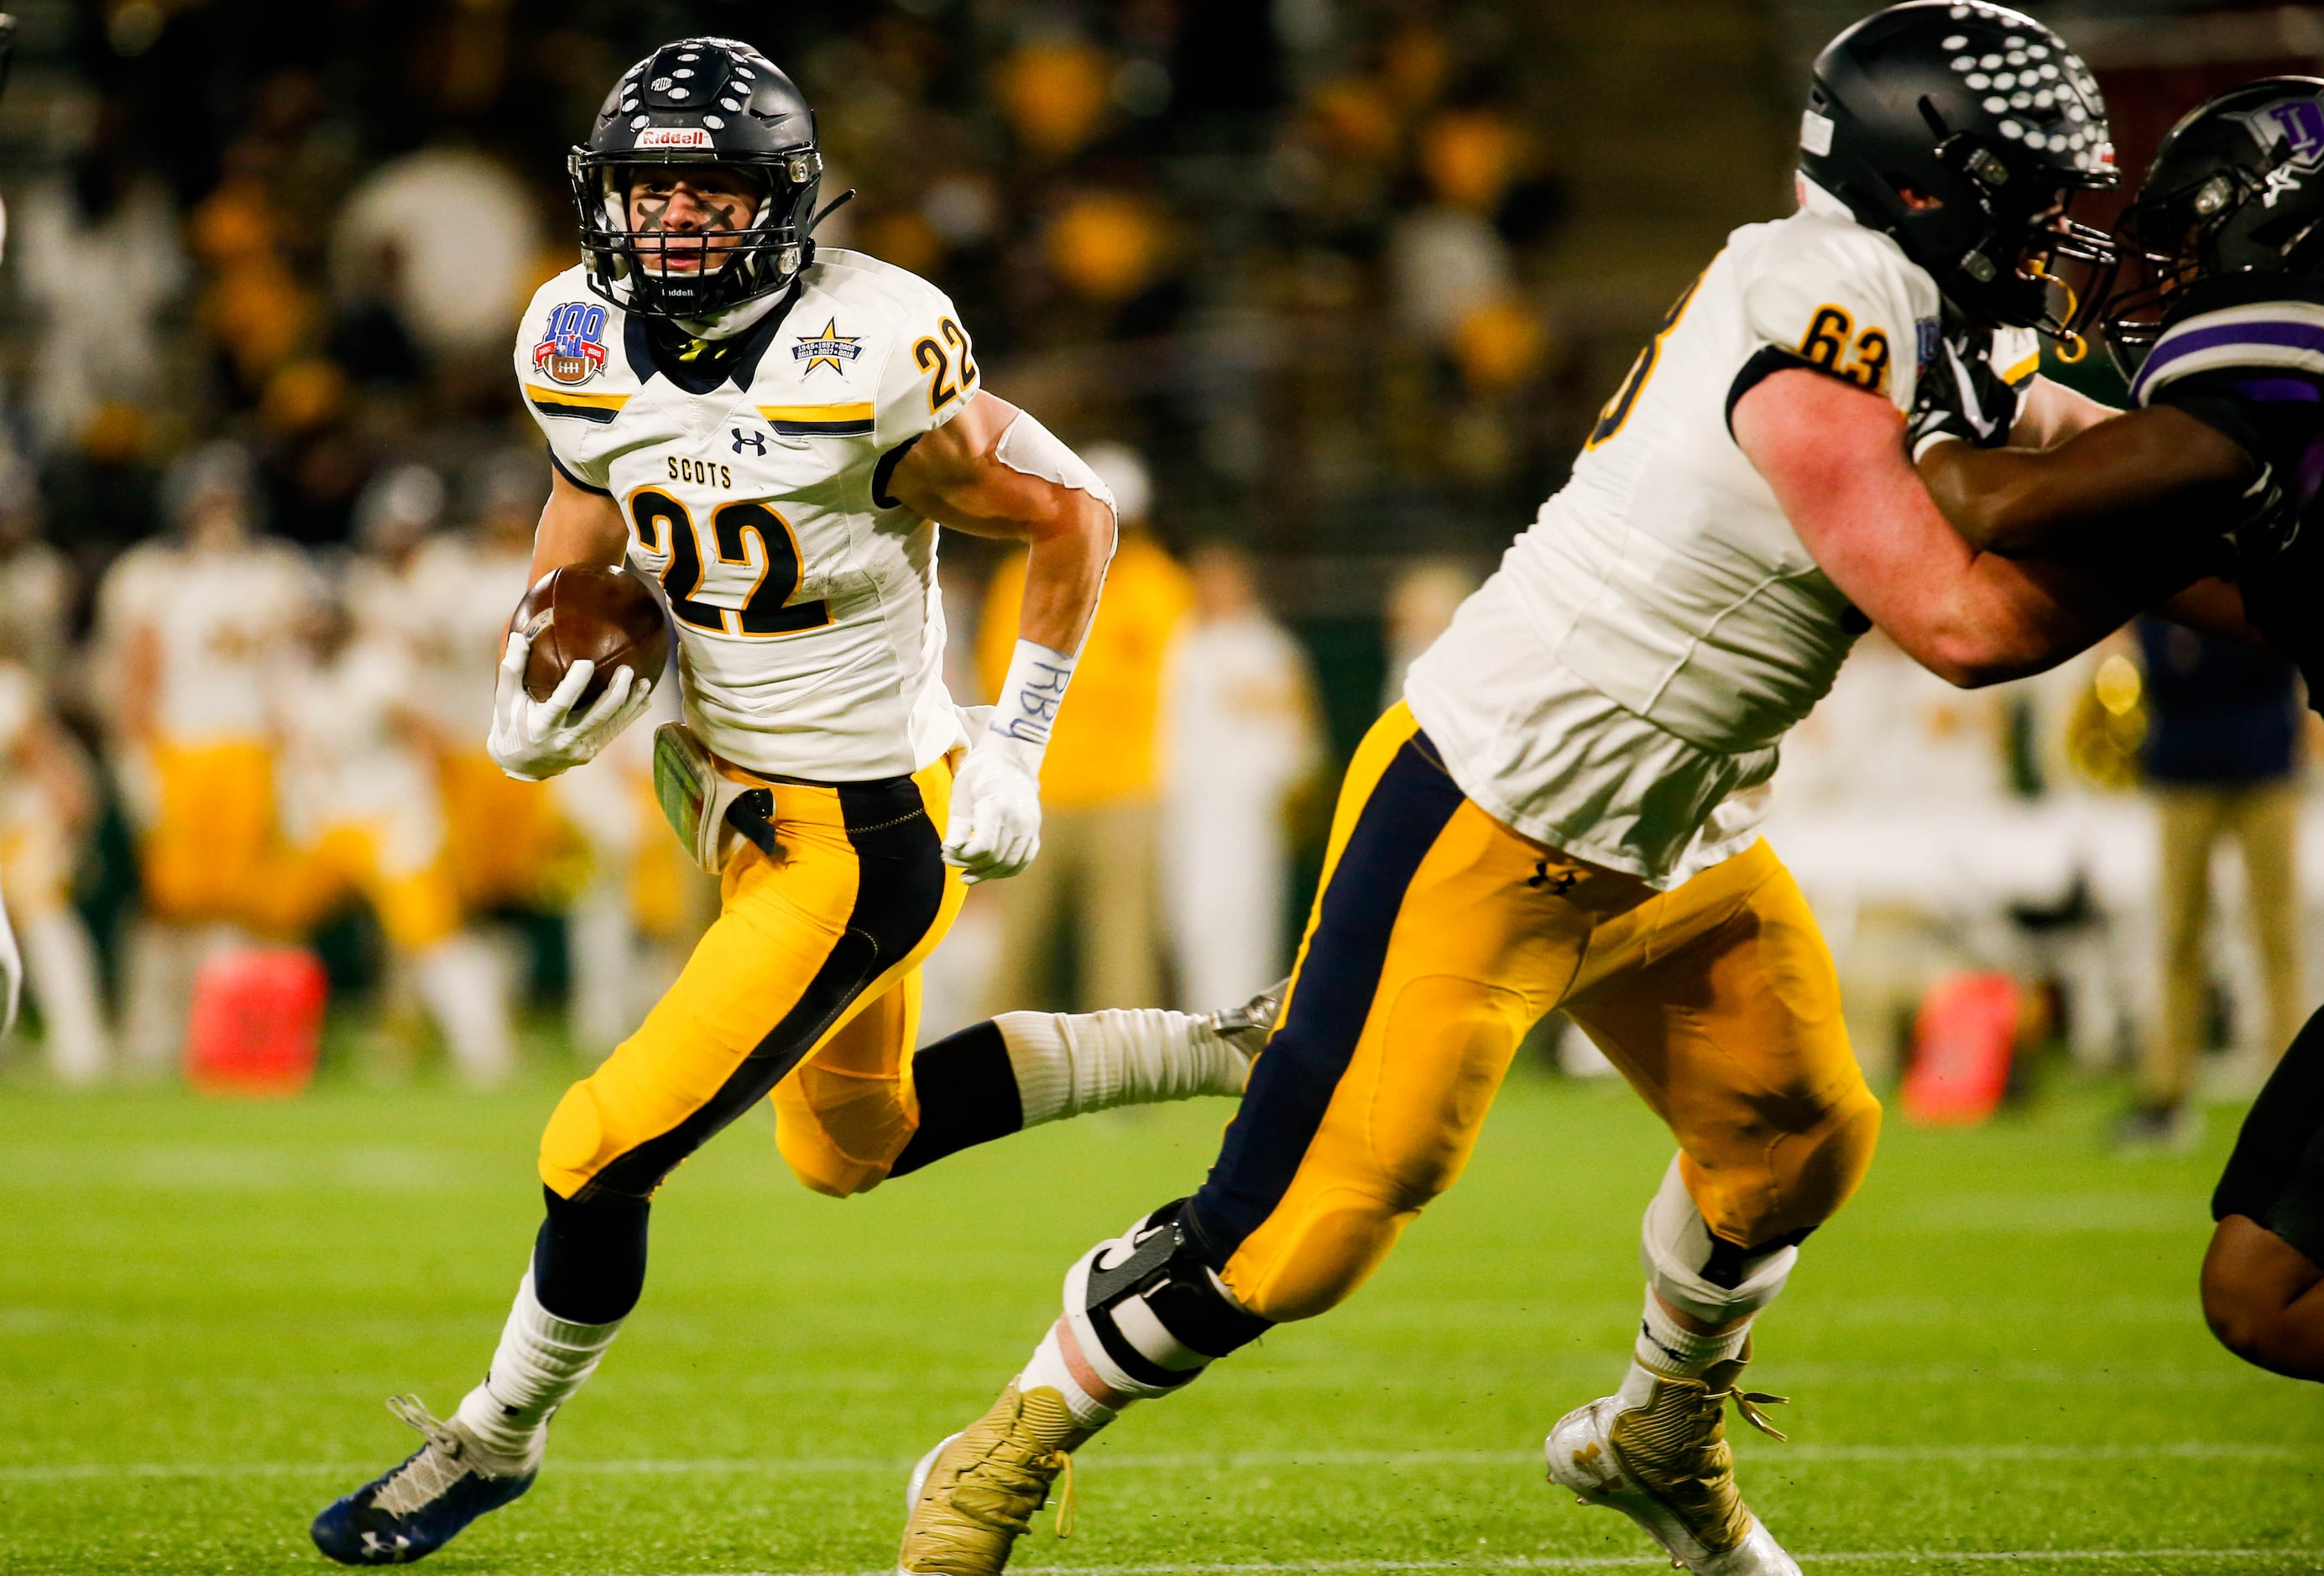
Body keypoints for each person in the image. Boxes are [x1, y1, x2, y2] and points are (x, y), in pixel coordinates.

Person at [892, 9, 2163, 1575]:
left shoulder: (1930, 311)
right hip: (1497, 802)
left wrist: (2238, 467)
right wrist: (2197, 522)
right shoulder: (1821, 296)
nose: (2057, 225)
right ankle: (997, 1448)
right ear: (1924, 183)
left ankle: (1656, 1434)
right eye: (2030, 189)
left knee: (1795, 1136)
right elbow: (1964, 625)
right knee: (1304, 1231)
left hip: (1674, 819)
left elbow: (2117, 453)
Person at [311, 40, 1267, 1566]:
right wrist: (548, 627)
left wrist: (1016, 739)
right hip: (725, 790)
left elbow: (1069, 509)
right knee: (852, 1140)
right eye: (648, 187)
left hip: (860, 824)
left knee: (594, 1143)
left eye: (710, 187)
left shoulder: (871, 346)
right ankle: (1224, 1046)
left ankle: (492, 1436)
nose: (675, 219)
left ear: (782, 204)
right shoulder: (570, 334)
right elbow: (589, 480)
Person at [1909, 76, 2324, 1386]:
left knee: (2261, 1290)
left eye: (2193, 239)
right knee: (2258, 1288)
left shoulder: (2269, 379)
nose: (2167, 273)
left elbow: (1997, 508)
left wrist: (1929, 407)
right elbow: (2255, 599)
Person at [99, 442, 314, 1070]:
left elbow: (287, 675)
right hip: (180, 747)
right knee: (171, 903)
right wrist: (134, 756)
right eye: (208, 500)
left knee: (247, 900)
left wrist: (300, 755)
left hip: (251, 749)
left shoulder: (275, 572)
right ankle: (151, 1030)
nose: (220, 513)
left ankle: (236, 1035)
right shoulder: (150, 575)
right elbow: (135, 675)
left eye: (229, 500)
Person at [974, 443, 1190, 1015]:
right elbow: (1000, 672)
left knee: (1122, 950)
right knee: (1015, 945)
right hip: (1036, 785)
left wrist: (1063, 673)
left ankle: (1122, 1076)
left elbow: (1157, 685)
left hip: (1126, 790)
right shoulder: (1022, 572)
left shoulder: (1158, 583)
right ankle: (982, 1061)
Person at [2127, 619, 2303, 1148]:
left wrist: (2205, 658)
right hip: (2187, 768)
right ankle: (2166, 1094)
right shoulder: (2171, 574)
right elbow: (2161, 664)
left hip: (2263, 764)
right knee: (2180, 936)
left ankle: (2294, 1096)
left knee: (2278, 934)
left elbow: (2275, 650)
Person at [1161, 541, 1321, 1010]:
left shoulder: (1268, 647)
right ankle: (1198, 1024)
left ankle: (1244, 1021)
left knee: (1245, 919)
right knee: (1189, 921)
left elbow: (1302, 736)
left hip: (1247, 812)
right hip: (1185, 808)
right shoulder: (1181, 642)